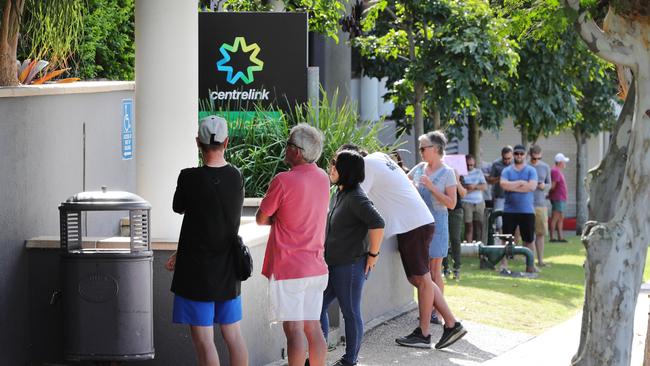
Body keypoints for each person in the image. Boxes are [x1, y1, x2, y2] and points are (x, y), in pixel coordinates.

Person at [342, 144, 466, 350]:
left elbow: (355, 200)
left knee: (423, 279)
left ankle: (426, 333)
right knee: (418, 278)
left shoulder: (365, 166)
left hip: (413, 225)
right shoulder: (380, 157)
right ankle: (451, 324)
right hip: (416, 222)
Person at [166, 115, 249, 366]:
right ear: (227, 142)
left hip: (196, 270)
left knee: (204, 341)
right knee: (233, 336)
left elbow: (179, 208)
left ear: (197, 143)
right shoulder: (237, 176)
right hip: (228, 268)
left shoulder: (188, 178)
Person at [256, 124, 330, 366]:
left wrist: (279, 219)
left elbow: (261, 217)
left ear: (297, 152)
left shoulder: (283, 180)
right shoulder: (322, 177)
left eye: (288, 144)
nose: (285, 148)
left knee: (294, 331)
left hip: (289, 269)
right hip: (316, 266)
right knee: (313, 327)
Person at [320, 149, 385, 366]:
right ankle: (319, 352)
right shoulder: (341, 192)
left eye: (335, 164)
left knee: (350, 312)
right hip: (335, 263)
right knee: (317, 305)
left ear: (345, 170)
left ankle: (350, 360)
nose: (331, 168)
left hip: (350, 265)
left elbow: (378, 223)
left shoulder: (356, 197)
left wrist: (373, 255)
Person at [407, 131, 465, 336]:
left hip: (438, 224)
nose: (420, 151)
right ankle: (427, 309)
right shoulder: (419, 168)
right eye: (420, 148)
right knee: (422, 271)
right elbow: (404, 183)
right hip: (419, 224)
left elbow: (452, 203)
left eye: (423, 148)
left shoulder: (447, 172)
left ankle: (436, 313)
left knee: (433, 270)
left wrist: (431, 187)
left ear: (436, 149)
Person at [500, 144, 538, 272]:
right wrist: (521, 183)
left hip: (527, 211)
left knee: (529, 240)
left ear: (525, 155)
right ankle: (503, 264)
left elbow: (532, 187)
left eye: (521, 154)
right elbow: (504, 185)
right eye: (516, 154)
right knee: (506, 239)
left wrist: (514, 186)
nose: (519, 156)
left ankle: (530, 265)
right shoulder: (507, 170)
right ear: (513, 155)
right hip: (509, 211)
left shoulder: (531, 170)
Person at [529, 145, 551, 266]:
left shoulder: (545, 167)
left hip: (541, 204)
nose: (536, 160)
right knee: (529, 233)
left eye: (538, 158)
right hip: (527, 203)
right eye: (534, 158)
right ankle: (530, 260)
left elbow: (549, 184)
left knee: (540, 233)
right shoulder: (526, 167)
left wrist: (544, 186)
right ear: (530, 155)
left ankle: (541, 261)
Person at [443, 170, 467, 280]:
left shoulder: (459, 176)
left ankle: (457, 267)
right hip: (442, 210)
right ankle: (445, 267)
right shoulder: (442, 174)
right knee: (443, 239)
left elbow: (463, 193)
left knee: (455, 239)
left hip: (456, 211)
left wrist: (457, 180)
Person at [461, 154, 487, 243]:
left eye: (471, 165)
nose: (469, 167)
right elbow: (461, 188)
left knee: (479, 225)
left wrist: (473, 187)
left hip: (479, 202)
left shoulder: (479, 172)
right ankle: (468, 246)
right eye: (468, 165)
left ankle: (479, 246)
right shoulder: (461, 173)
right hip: (466, 202)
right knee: (469, 225)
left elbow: (484, 186)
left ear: (474, 163)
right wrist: (471, 187)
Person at [487, 146, 513, 235]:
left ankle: (515, 244)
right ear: (501, 156)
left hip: (513, 196)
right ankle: (502, 242)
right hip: (500, 196)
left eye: (509, 158)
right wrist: (500, 177)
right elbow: (490, 180)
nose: (507, 161)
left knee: (514, 220)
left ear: (512, 156)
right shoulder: (496, 164)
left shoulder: (515, 164)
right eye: (504, 159)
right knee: (499, 222)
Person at [549, 153, 570, 242]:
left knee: (560, 217)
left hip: (561, 198)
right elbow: (553, 186)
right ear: (560, 162)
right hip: (558, 198)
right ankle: (552, 237)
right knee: (555, 217)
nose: (565, 163)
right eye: (563, 161)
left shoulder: (558, 171)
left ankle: (560, 237)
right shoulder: (555, 171)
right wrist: (549, 195)